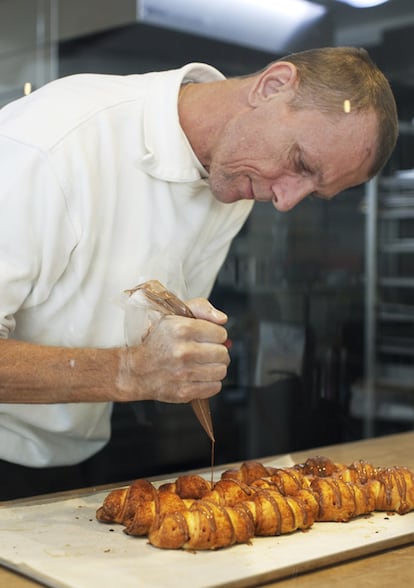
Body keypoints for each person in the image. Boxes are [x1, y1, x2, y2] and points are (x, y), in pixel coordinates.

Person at [0, 46, 398, 498]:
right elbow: (130, 367)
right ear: (273, 85)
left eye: (313, 192)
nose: (287, 200)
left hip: (69, 462)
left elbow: (139, 326)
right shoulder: (57, 141)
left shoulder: (234, 180)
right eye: (302, 164)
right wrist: (130, 370)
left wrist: (179, 344)